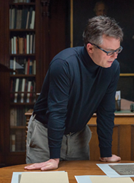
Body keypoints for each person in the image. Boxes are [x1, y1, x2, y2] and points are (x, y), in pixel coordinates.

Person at [24, 16, 124, 171]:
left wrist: (106, 153)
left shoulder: (112, 67)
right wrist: (54, 158)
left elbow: (106, 111)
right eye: (109, 52)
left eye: (118, 50)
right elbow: (57, 112)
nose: (115, 56)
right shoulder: (64, 64)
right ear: (90, 48)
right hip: (46, 132)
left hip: (78, 134)